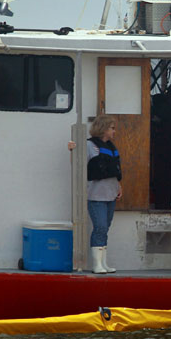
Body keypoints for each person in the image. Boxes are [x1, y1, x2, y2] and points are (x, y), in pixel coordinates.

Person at [68, 115, 122, 274]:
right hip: (96, 196)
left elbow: (116, 171)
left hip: (111, 194)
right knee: (100, 227)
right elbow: (78, 164)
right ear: (104, 128)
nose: (114, 132)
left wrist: (119, 187)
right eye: (112, 128)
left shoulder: (111, 147)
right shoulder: (89, 146)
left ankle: (103, 263)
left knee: (105, 228)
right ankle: (96, 264)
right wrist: (71, 150)